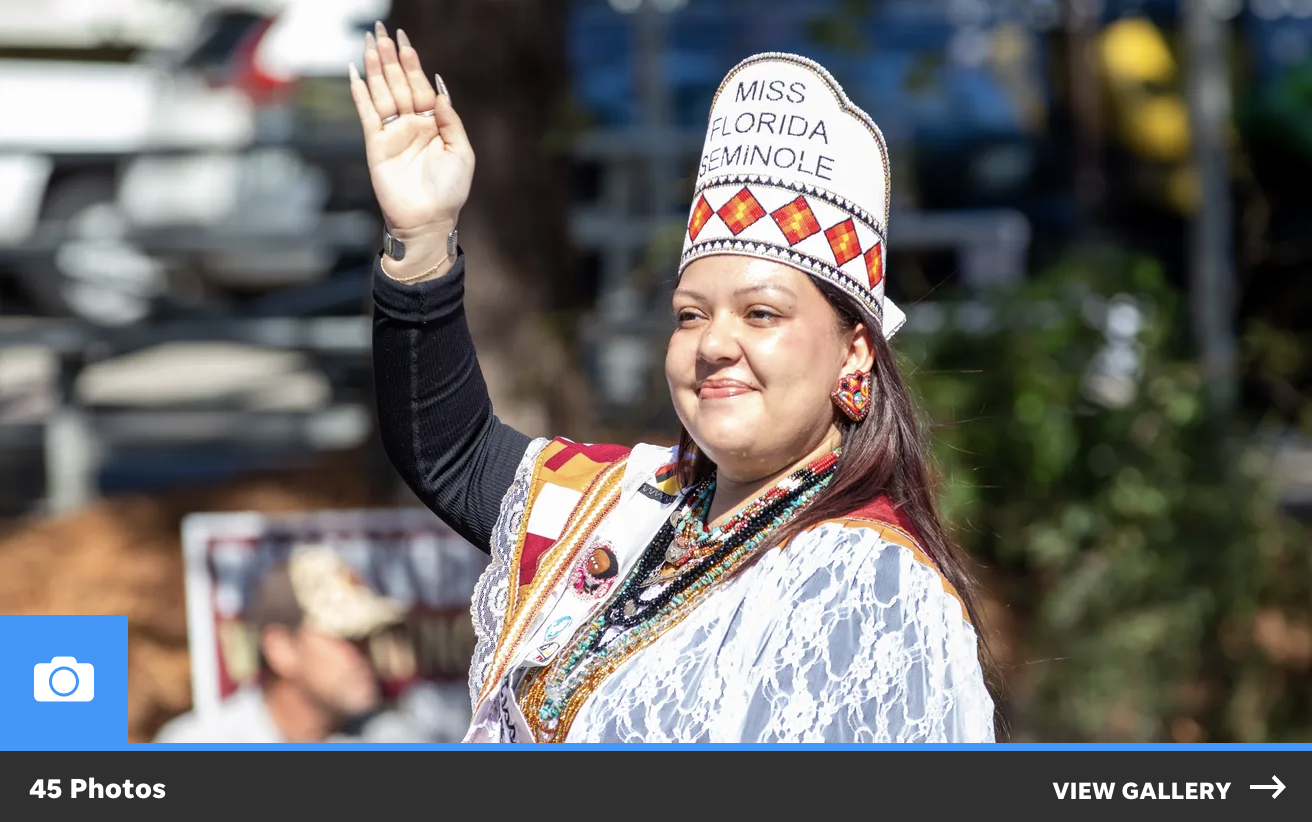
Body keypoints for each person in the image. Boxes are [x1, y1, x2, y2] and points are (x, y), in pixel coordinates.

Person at [354, 23, 996, 742]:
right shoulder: (628, 503)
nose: (714, 344)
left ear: (855, 353)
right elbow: (454, 453)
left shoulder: (872, 582)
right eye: (690, 315)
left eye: (761, 313)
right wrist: (423, 235)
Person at [155, 545, 429, 743]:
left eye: (368, 636)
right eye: (347, 636)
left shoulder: (395, 738)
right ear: (281, 649)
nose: (364, 653)